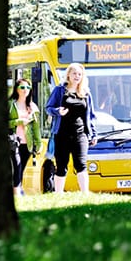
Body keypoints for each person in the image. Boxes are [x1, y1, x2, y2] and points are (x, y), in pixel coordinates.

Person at [45, 63, 98, 194]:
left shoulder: (86, 93)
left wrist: (94, 134)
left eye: (79, 74)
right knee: (61, 166)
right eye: (74, 73)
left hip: (80, 134)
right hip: (61, 134)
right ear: (68, 74)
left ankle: (85, 194)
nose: (77, 76)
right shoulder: (59, 90)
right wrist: (58, 111)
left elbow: (91, 116)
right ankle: (59, 195)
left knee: (81, 165)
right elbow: (48, 108)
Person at [9, 78, 41, 196]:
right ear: (16, 89)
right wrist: (18, 121)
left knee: (21, 168)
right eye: (22, 87)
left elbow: (36, 127)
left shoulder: (32, 106)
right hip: (13, 141)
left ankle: (17, 192)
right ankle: (17, 195)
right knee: (17, 166)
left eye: (28, 87)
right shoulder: (10, 104)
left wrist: (38, 143)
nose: (25, 90)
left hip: (27, 142)